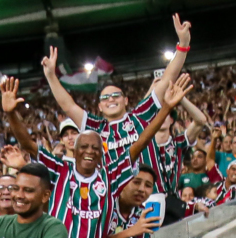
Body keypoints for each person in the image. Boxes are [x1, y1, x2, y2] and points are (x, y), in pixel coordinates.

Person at [2, 75, 188, 238]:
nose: (89, 151)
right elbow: (27, 144)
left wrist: (166, 108)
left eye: (95, 148)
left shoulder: (111, 177)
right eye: (83, 147)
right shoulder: (60, 171)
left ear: (101, 155)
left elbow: (141, 141)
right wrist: (11, 113)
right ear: (74, 152)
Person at [41, 15, 191, 155]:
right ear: (99, 106)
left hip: (146, 183)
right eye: (105, 97)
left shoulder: (139, 117)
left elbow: (166, 80)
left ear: (125, 100)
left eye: (115, 96)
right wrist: (51, 76)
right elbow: (68, 106)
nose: (111, 100)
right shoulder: (95, 127)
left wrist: (183, 45)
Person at [106, 166, 161, 238]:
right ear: (123, 182)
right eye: (136, 182)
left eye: (148, 185)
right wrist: (132, 231)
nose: (142, 189)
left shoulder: (142, 214)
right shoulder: (105, 205)